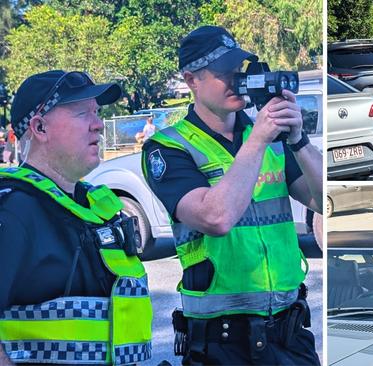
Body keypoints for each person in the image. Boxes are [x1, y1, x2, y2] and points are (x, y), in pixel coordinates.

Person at [142, 25, 322, 365]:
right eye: (223, 73)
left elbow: (321, 200)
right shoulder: (168, 148)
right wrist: (257, 140)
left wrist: (298, 140)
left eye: (238, 70)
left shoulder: (273, 138)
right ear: (192, 80)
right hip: (221, 340)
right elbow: (216, 217)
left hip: (290, 330)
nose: (236, 80)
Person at [0, 70, 153, 364]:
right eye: (83, 113)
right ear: (40, 127)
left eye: (97, 112)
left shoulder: (96, 206)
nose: (98, 125)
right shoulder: (14, 210)